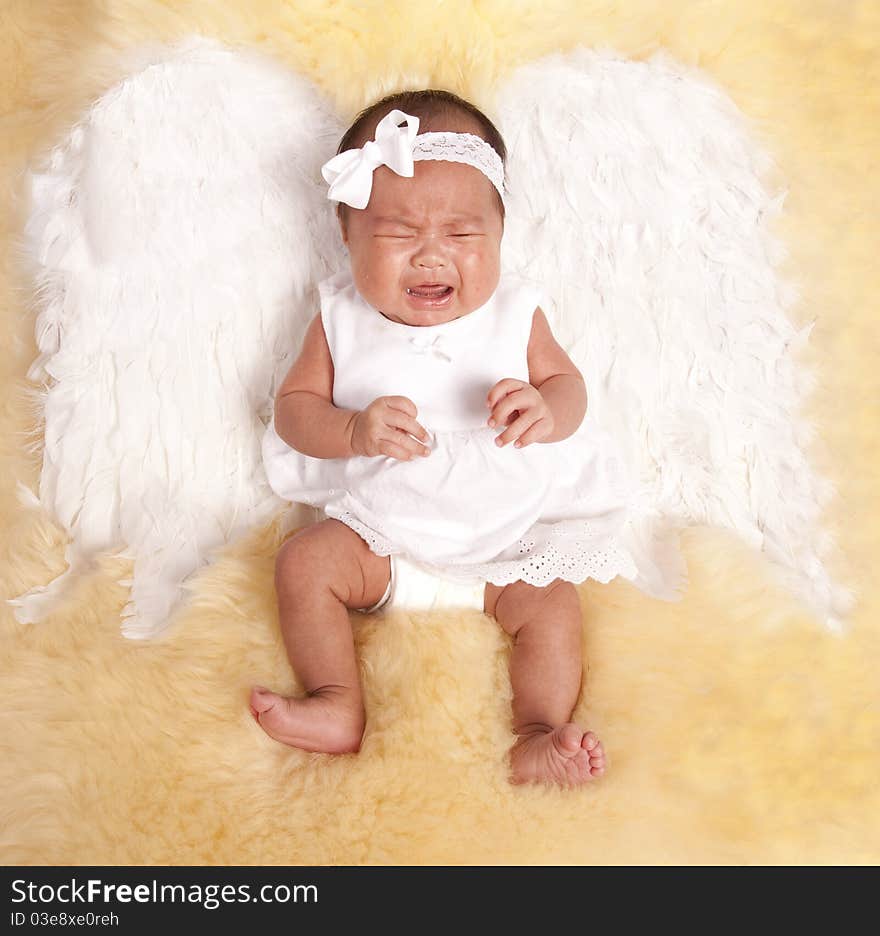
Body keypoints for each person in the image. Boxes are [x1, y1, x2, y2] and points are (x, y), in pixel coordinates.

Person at [252, 89, 642, 787]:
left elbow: (571, 388)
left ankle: (538, 733)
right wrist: (352, 427)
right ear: (348, 234)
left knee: (553, 606)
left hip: (504, 547)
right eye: (399, 235)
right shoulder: (339, 317)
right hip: (380, 538)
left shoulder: (517, 312)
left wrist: (545, 408)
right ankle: (337, 702)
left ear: (497, 235)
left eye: (463, 236)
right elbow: (293, 410)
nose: (432, 257)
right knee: (303, 565)